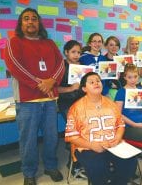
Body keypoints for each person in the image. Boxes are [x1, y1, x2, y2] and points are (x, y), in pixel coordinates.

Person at [4, 8, 64, 185]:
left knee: (51, 137)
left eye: (34, 19)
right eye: (26, 19)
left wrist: (52, 81)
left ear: (39, 23)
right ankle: (29, 172)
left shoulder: (50, 43)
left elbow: (61, 64)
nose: (30, 22)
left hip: (50, 100)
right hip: (27, 101)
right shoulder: (14, 42)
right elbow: (15, 66)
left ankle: (51, 166)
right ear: (21, 23)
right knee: (28, 140)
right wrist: (41, 84)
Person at [65, 72, 137, 185]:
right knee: (99, 166)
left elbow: (120, 125)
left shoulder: (111, 104)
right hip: (87, 147)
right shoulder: (76, 108)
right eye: (91, 82)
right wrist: (92, 145)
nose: (96, 83)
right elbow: (71, 136)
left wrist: (118, 138)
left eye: (98, 81)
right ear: (84, 88)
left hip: (113, 144)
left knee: (130, 161)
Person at [57, 40, 87, 179]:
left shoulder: (83, 67)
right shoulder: (61, 67)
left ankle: (83, 158)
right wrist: (71, 88)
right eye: (73, 52)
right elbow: (54, 88)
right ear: (66, 52)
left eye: (79, 52)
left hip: (81, 102)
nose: (76, 55)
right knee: (77, 130)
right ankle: (74, 163)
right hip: (66, 102)